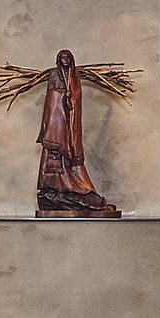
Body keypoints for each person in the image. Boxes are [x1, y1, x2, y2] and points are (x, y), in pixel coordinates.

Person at [35, 48, 121, 217]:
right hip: (56, 125)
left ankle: (76, 187)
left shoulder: (75, 75)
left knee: (73, 156)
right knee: (55, 158)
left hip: (70, 124)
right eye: (62, 57)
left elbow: (76, 96)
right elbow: (51, 97)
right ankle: (57, 189)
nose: (65, 59)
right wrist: (61, 96)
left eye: (68, 57)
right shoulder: (53, 75)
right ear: (58, 60)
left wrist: (70, 97)